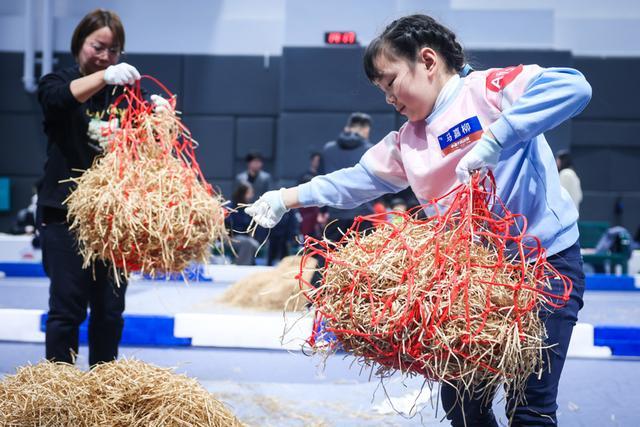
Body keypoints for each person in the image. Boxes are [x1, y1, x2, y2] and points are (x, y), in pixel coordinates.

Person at [246, 14, 591, 426]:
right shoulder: (407, 142)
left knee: (529, 406)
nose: (389, 98)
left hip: (544, 268)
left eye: (391, 83)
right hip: (472, 283)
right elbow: (356, 180)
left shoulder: (488, 90)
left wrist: (498, 138)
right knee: (463, 405)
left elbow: (574, 86)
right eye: (381, 90)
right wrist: (286, 198)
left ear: (427, 60)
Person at [37, 9, 142, 367]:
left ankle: (102, 391)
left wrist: (156, 116)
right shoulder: (58, 81)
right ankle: (59, 394)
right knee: (67, 310)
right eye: (98, 46)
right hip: (64, 215)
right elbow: (58, 100)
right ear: (79, 42)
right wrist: (103, 76)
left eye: (113, 52)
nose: (105, 57)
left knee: (110, 312)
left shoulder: (121, 95)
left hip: (112, 221)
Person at [226, 183, 260, 265]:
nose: (252, 195)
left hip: (244, 238)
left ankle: (248, 264)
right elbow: (227, 225)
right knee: (248, 243)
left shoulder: (248, 208)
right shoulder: (230, 207)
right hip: (230, 238)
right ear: (243, 193)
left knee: (254, 244)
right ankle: (241, 266)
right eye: (250, 193)